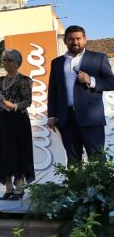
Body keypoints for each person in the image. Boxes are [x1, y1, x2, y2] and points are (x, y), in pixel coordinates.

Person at [48, 25, 114, 164]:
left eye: (78, 38)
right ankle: (75, 180)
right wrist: (52, 115)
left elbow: (111, 82)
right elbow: (53, 90)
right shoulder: (57, 63)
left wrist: (91, 80)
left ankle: (98, 180)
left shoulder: (98, 58)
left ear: (85, 39)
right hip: (66, 119)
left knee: (97, 160)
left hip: (91, 119)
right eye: (71, 39)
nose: (75, 42)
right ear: (65, 41)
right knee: (73, 162)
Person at [0, 49, 35, 200]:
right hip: (3, 119)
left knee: (19, 152)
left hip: (19, 120)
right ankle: (8, 188)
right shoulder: (0, 80)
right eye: (4, 60)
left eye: (9, 60)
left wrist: (14, 106)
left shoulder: (25, 80)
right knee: (4, 151)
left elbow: (27, 101)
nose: (5, 63)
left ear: (17, 63)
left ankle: (19, 188)